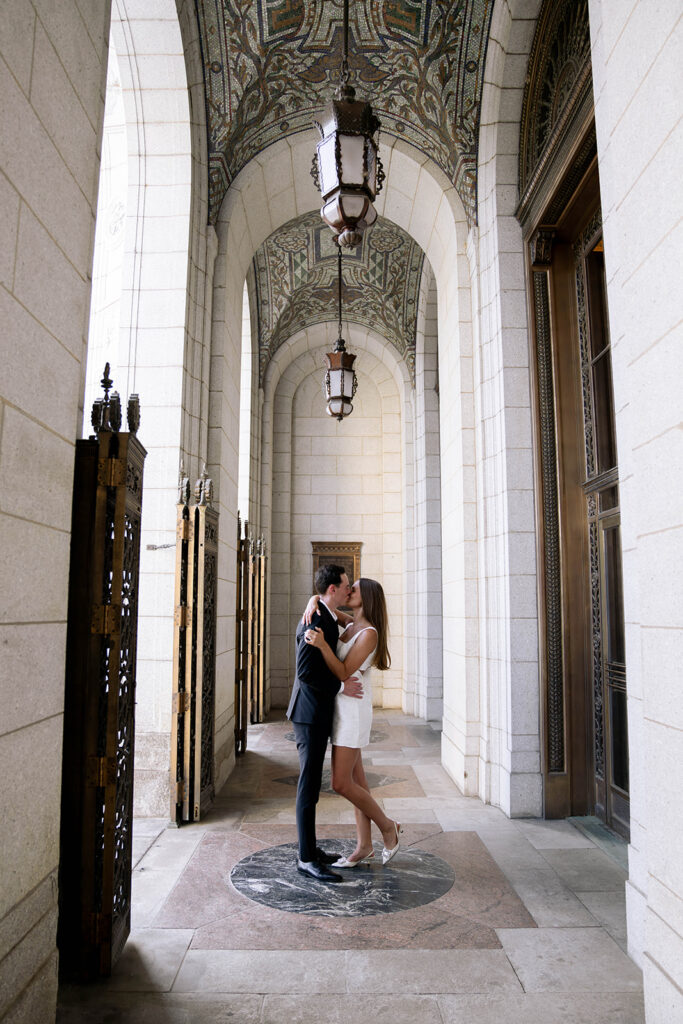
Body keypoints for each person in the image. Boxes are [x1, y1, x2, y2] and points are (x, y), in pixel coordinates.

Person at [304, 577, 403, 867]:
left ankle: (388, 828)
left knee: (340, 782)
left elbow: (345, 670)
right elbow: (325, 606)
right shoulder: (351, 623)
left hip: (353, 710)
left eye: (355, 588)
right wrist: (313, 601)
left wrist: (322, 645)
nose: (350, 590)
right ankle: (364, 846)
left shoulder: (369, 633)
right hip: (341, 706)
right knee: (358, 781)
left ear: (366, 597)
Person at [286, 564, 364, 882]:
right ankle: (306, 859)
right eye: (345, 586)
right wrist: (340, 685)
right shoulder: (316, 619)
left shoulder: (325, 614)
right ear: (332, 589)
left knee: (313, 787)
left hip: (317, 713)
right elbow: (305, 672)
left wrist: (313, 598)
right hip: (308, 715)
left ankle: (311, 850)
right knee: (308, 787)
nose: (348, 590)